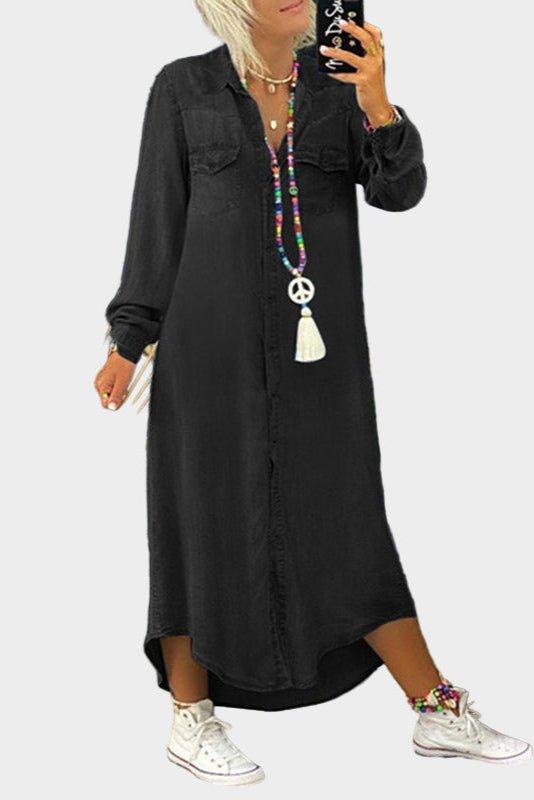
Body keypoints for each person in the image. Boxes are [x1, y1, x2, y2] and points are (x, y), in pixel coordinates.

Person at [94, 0, 532, 785]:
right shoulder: (183, 89)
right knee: (199, 516)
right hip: (206, 354)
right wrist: (130, 338)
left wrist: (377, 100)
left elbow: (399, 191)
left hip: (320, 359)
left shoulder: (339, 91)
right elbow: (157, 217)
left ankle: (435, 710)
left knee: (348, 519)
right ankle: (190, 718)